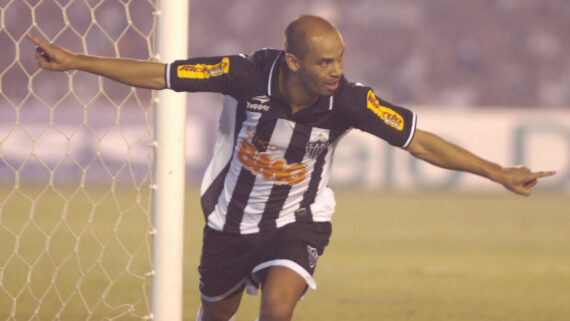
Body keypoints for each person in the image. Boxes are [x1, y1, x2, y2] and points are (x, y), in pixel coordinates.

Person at [28, 14, 556, 321]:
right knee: (217, 313)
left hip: (297, 219)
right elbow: (161, 74)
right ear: (295, 60)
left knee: (278, 309)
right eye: (326, 62)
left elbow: (421, 142)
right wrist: (78, 60)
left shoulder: (349, 100)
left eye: (341, 59)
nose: (337, 71)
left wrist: (499, 172)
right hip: (230, 222)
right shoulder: (243, 73)